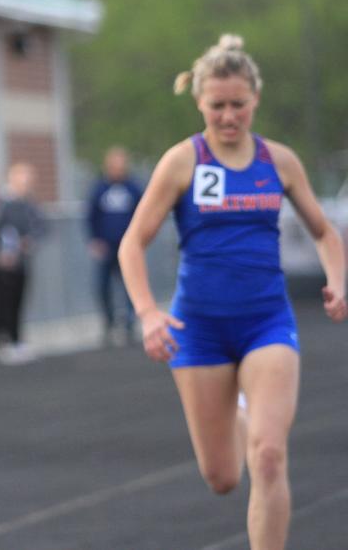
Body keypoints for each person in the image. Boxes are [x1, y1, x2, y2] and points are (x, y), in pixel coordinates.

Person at [118, 34, 346, 550]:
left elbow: (326, 233)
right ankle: (239, 409)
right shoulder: (182, 162)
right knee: (222, 477)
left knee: (267, 456)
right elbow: (132, 243)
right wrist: (148, 313)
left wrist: (337, 280)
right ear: (199, 101)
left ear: (255, 100)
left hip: (267, 322)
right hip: (198, 330)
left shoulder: (280, 162)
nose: (228, 116)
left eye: (238, 105)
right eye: (217, 105)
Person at [0, 161, 47, 363]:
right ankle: (0, 341)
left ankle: (17, 339)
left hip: (22, 263)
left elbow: (41, 226)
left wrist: (31, 240)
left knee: (18, 302)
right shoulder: (2, 203)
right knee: (2, 303)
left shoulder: (29, 203)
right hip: (4, 264)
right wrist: (2, 251)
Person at [86, 146, 142, 346]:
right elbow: (91, 216)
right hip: (106, 247)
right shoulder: (100, 188)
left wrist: (138, 240)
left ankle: (129, 324)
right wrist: (95, 240)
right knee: (102, 287)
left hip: (128, 247)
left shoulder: (133, 188)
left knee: (130, 286)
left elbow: (142, 215)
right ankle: (109, 322)